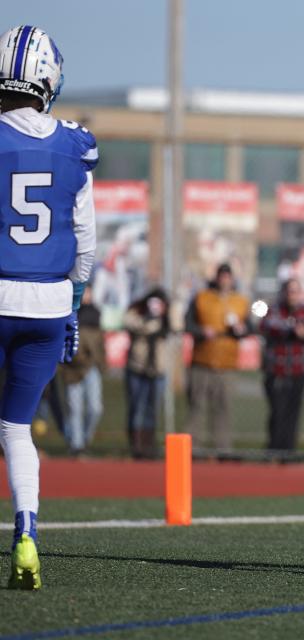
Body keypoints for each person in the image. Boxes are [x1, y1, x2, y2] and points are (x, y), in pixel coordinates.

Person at [0, 25, 97, 590]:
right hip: (48, 302)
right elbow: (85, 242)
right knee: (16, 428)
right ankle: (27, 533)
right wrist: (76, 301)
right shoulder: (74, 144)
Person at [184, 263, 251, 451]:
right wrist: (200, 331)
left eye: (228, 276)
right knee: (196, 406)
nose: (224, 280)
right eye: (222, 276)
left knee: (223, 408)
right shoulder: (202, 297)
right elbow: (187, 324)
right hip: (202, 360)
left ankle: (223, 449)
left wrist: (241, 330)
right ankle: (192, 447)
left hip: (227, 362)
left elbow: (249, 327)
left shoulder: (240, 301)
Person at [260, 278, 304, 453]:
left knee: (294, 412)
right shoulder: (274, 309)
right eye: (290, 291)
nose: (292, 295)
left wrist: (303, 331)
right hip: (277, 369)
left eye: (296, 291)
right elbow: (269, 324)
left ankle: (289, 451)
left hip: (298, 369)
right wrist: (292, 328)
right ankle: (274, 449)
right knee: (277, 411)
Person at [123, 287, 172, 459]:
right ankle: (136, 445)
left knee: (153, 409)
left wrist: (165, 313)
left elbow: (175, 325)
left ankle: (149, 445)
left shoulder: (167, 316)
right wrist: (149, 319)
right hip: (138, 366)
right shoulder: (137, 311)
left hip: (157, 368)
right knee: (137, 407)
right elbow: (132, 323)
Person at [60, 286, 105, 455]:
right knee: (75, 407)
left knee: (95, 408)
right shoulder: (68, 310)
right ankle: (77, 445)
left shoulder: (95, 313)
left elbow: (100, 344)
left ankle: (84, 438)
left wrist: (101, 363)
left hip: (91, 367)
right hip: (72, 368)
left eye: (89, 290)